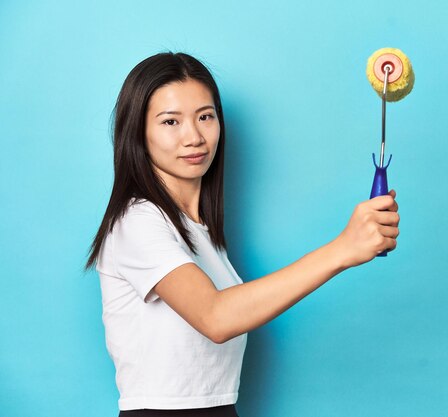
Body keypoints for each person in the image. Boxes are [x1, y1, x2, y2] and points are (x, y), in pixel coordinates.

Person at [85, 52, 400, 417]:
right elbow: (216, 318)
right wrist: (342, 250)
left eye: (205, 116)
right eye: (170, 121)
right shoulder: (136, 221)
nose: (194, 137)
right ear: (138, 132)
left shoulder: (202, 234)